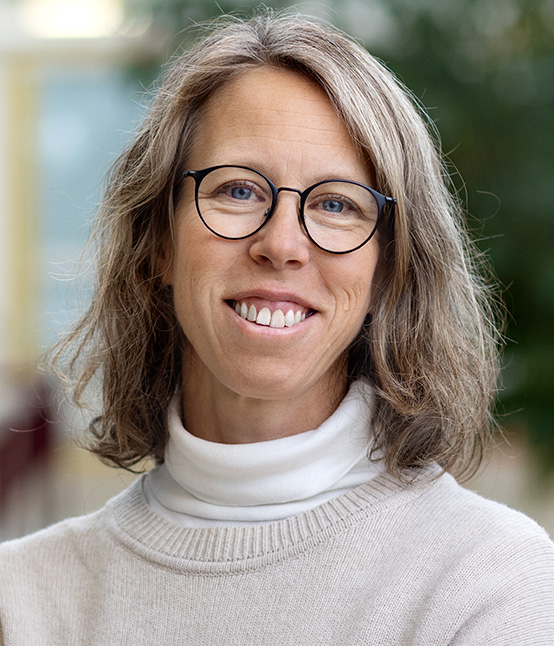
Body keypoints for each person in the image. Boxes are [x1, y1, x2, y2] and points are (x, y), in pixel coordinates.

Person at [1, 11, 553, 645]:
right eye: (238, 190)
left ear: (387, 270)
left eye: (336, 204)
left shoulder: (492, 586)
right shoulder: (21, 603)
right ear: (158, 243)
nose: (282, 245)